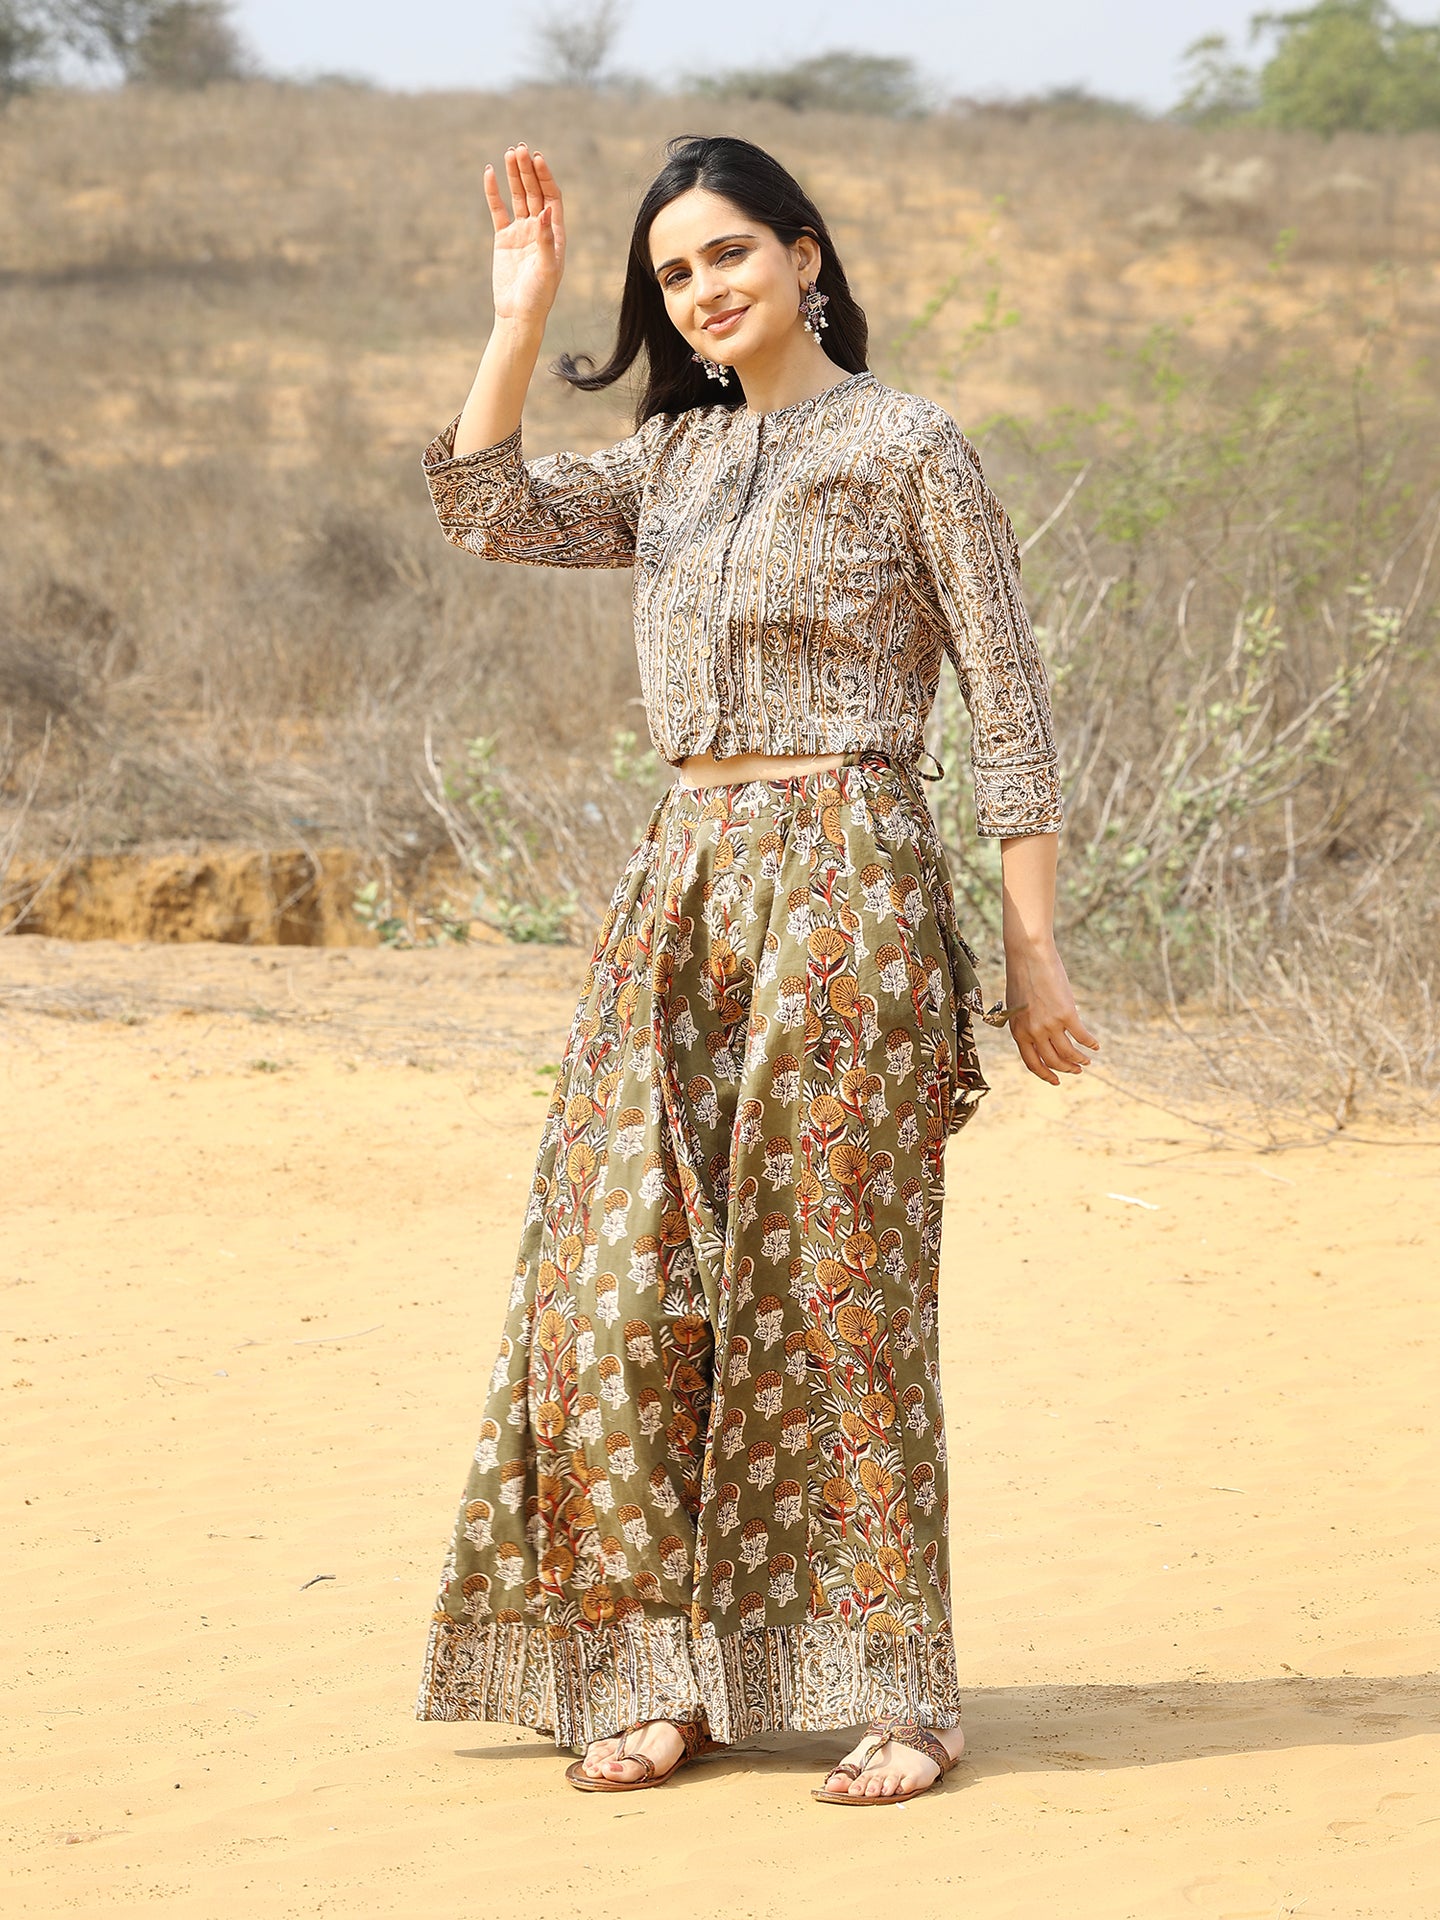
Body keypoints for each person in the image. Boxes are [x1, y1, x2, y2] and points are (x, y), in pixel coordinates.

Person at [414, 132, 1098, 1806]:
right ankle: (663, 1672)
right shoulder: (674, 463)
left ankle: (900, 1689)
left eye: (727, 254)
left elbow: (1007, 710)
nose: (704, 291)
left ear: (802, 253)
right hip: (682, 895)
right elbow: (488, 508)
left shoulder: (909, 443)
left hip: (850, 883)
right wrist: (519, 316)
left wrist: (1029, 956)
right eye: (671, 274)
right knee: (622, 1294)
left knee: (836, 1291)